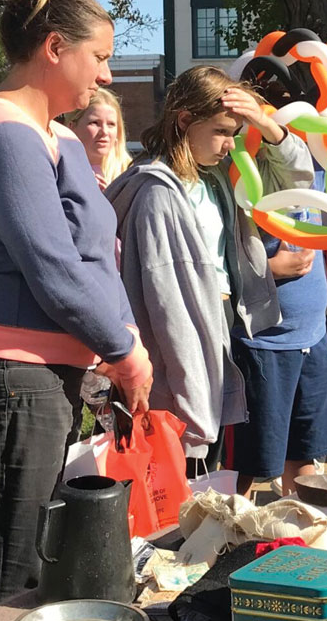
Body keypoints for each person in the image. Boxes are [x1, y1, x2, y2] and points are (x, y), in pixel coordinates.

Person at [0, 0, 152, 619]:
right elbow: (52, 267)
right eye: (99, 58)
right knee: (10, 567)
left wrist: (121, 336)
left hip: (41, 377)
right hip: (9, 377)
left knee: (30, 560)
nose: (107, 76)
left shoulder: (50, 135)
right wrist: (122, 350)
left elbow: (93, 253)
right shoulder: (1, 132)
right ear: (55, 48)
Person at [108, 66, 313, 474]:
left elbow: (294, 186)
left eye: (235, 135)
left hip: (217, 319)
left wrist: (263, 122)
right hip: (180, 329)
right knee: (179, 452)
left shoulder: (217, 177)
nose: (228, 145)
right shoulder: (156, 192)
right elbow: (164, 299)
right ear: (185, 121)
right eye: (221, 131)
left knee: (210, 456)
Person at [232, 88, 327, 496]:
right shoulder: (238, 179)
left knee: (306, 452)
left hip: (311, 338)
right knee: (251, 460)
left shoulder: (312, 169)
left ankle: (299, 527)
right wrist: (269, 270)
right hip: (263, 344)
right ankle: (225, 533)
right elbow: (216, 265)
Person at [63, 87, 132, 190]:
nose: (104, 131)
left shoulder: (130, 174)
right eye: (94, 123)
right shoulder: (58, 170)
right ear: (72, 127)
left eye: (111, 124)